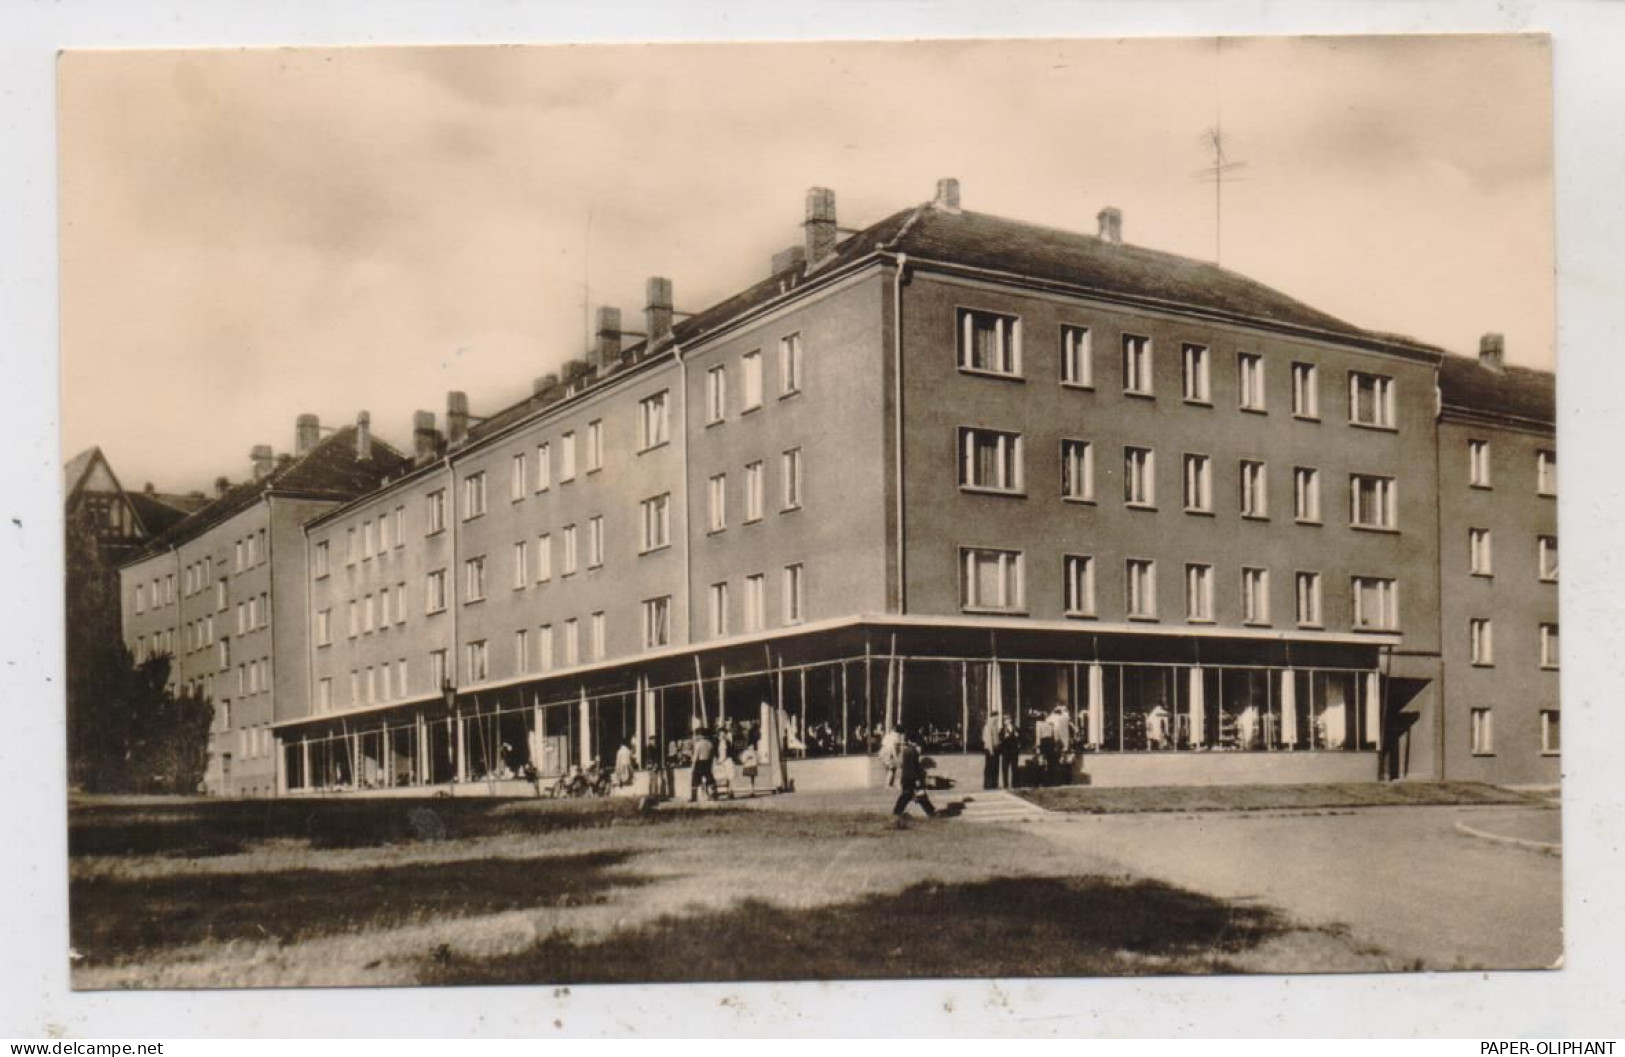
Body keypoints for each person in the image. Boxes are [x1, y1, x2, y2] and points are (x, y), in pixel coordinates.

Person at [892, 733, 938, 825]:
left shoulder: (906, 751)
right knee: (919, 795)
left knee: (906, 796)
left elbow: (904, 765)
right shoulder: (913, 752)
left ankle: (896, 812)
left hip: (906, 778)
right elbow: (913, 767)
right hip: (912, 778)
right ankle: (931, 813)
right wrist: (917, 779)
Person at [689, 727, 718, 802]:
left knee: (695, 780)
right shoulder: (710, 743)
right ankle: (714, 795)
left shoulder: (698, 744)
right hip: (707, 763)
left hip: (699, 763)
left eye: (697, 734)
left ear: (699, 735)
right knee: (710, 779)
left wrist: (693, 766)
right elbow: (712, 756)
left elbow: (695, 756)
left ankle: (693, 797)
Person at [981, 712, 1002, 789]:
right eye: (996, 718)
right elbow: (988, 739)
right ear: (992, 718)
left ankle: (994, 783)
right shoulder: (988, 727)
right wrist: (991, 750)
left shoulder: (995, 727)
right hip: (990, 749)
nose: (997, 720)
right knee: (989, 767)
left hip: (996, 749)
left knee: (995, 767)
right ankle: (988, 784)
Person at [997, 717, 1020, 788]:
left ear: (1010, 720)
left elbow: (1020, 739)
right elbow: (1000, 740)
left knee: (1014, 768)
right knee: (1005, 768)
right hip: (1005, 752)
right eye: (1004, 720)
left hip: (1014, 751)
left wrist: (1017, 737)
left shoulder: (1016, 729)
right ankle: (1005, 784)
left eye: (1007, 719)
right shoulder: (1002, 730)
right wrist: (1005, 737)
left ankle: (1015, 784)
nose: (1005, 721)